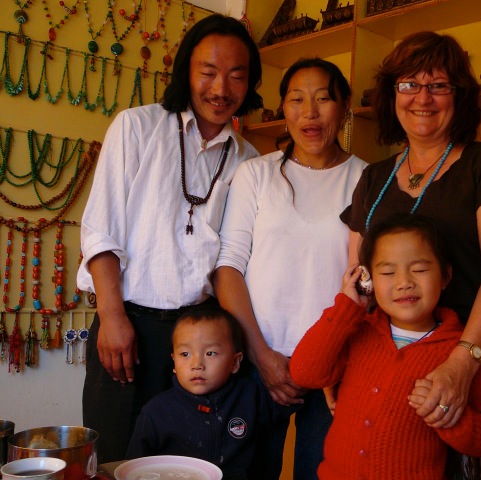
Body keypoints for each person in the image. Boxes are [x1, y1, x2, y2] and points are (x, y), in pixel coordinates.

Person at [339, 31, 481, 479]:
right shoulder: (375, 177)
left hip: (476, 363)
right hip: (390, 366)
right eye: (408, 84)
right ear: (391, 95)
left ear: (458, 96)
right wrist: (344, 359)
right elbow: (359, 282)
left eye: (438, 85)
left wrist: (462, 365)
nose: (422, 98)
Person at [77, 13, 263, 463]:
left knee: (194, 457)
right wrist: (113, 316)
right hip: (128, 323)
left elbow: (234, 258)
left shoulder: (250, 160)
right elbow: (101, 229)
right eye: (209, 72)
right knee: (117, 456)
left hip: (201, 337)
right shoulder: (136, 127)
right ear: (186, 72)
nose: (222, 89)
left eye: (237, 76)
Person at [213, 58, 367, 480]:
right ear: (284, 108)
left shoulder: (367, 180)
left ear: (345, 107)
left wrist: (331, 359)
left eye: (323, 99)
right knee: (246, 472)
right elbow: (228, 267)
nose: (310, 113)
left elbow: (366, 281)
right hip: (259, 361)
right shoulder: (256, 174)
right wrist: (262, 355)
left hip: (335, 369)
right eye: (297, 99)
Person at [289, 214, 481, 479]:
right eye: (387, 272)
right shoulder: (359, 331)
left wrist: (449, 417)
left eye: (419, 269)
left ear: (445, 276)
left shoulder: (456, 354)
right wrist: (346, 307)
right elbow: (304, 372)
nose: (404, 281)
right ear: (368, 280)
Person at [126, 305, 272, 480]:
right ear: (174, 362)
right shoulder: (156, 412)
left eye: (210, 353)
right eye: (185, 354)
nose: (197, 364)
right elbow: (133, 469)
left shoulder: (251, 397)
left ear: (235, 362)